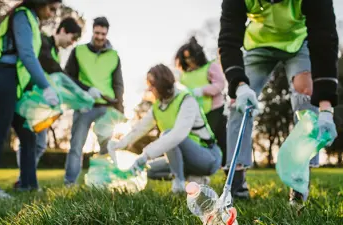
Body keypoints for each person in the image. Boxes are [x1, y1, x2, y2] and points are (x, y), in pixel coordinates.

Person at [218, 0, 339, 205]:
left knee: (305, 95)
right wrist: (238, 85)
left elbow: (324, 39)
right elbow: (229, 39)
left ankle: (299, 180)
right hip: (258, 45)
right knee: (238, 102)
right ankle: (236, 179)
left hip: (298, 42)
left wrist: (326, 108)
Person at [0, 0, 62, 198]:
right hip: (3, 77)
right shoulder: (22, 15)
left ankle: (28, 185)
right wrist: (45, 86)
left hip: (15, 84)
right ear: (41, 3)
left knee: (28, 134)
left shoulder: (32, 19)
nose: (52, 14)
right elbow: (26, 55)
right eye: (51, 9)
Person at [108, 64, 222, 193]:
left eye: (152, 85)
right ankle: (194, 177)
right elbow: (139, 129)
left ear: (162, 84)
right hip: (185, 159)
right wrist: (118, 145)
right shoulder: (158, 107)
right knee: (149, 169)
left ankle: (179, 184)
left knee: (168, 134)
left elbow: (177, 135)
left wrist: (146, 154)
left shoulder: (186, 100)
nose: (149, 89)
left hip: (207, 157)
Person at [14, 17, 82, 188]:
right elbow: (51, 67)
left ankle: (25, 178)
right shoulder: (44, 42)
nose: (71, 43)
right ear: (63, 30)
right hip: (29, 99)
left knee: (39, 144)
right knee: (30, 141)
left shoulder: (55, 51)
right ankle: (25, 179)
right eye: (72, 38)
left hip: (42, 103)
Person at [64, 16, 124, 186]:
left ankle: (104, 182)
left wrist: (120, 109)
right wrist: (86, 89)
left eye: (103, 34)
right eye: (97, 33)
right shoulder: (79, 51)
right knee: (76, 145)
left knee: (106, 147)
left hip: (106, 107)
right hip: (84, 105)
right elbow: (67, 77)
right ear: (93, 31)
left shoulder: (114, 56)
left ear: (107, 33)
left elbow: (118, 84)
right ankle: (70, 182)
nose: (99, 37)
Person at [175, 37, 228, 166]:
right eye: (186, 59)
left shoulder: (211, 67)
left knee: (218, 140)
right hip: (194, 113)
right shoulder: (183, 75)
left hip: (214, 110)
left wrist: (202, 90)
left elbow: (220, 84)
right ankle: (200, 167)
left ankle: (228, 167)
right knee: (196, 141)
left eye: (191, 57)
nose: (189, 61)